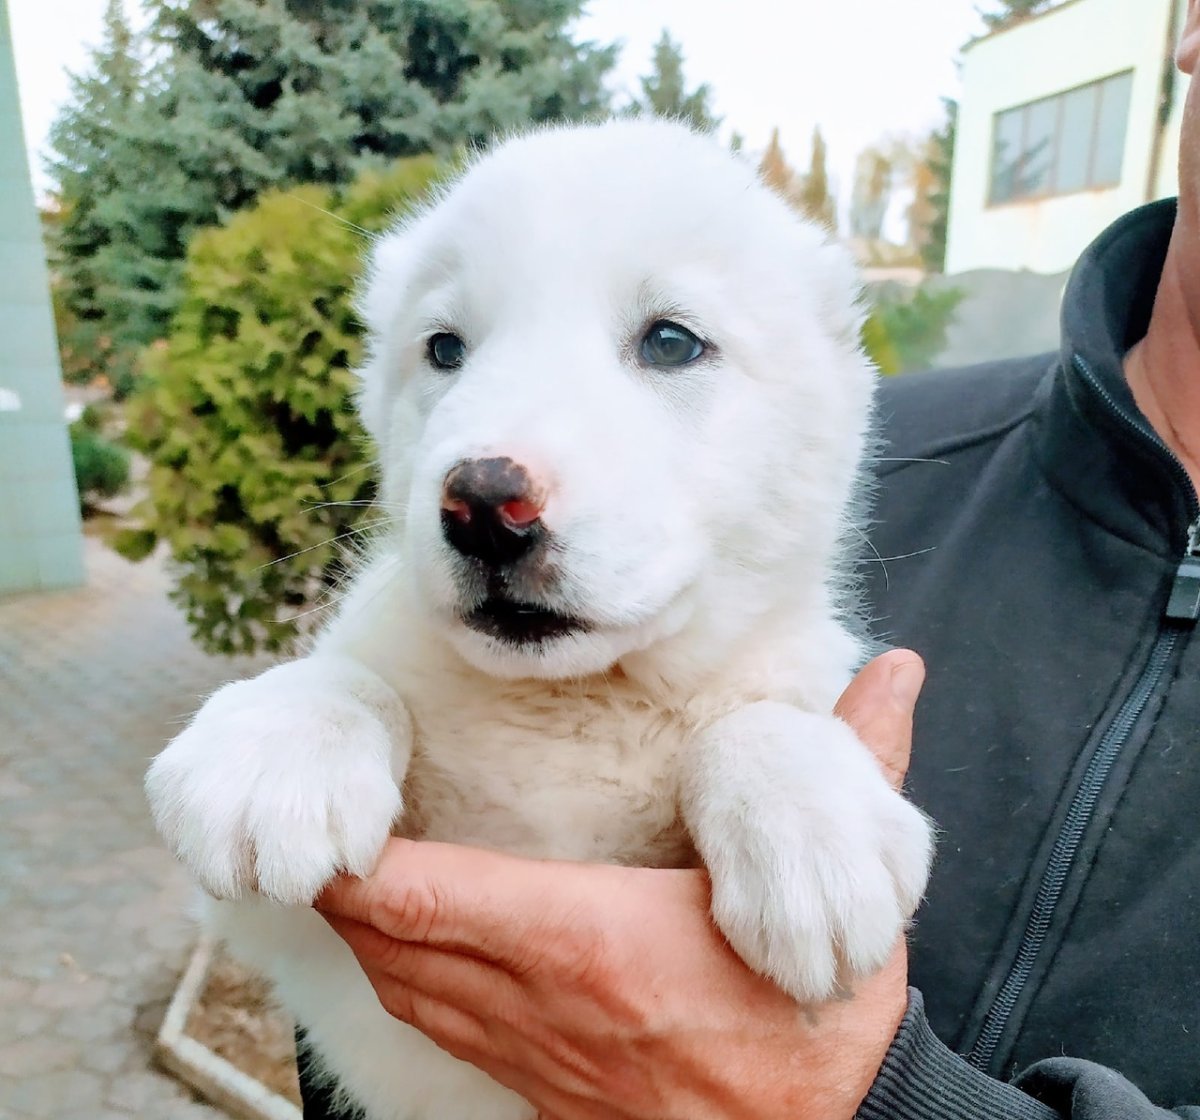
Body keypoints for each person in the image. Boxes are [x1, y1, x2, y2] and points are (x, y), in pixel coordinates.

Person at [304, 5, 1200, 1116]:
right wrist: (337, 728)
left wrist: (855, 1099)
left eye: (670, 341)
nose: (489, 483)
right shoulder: (908, 454)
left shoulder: (795, 468)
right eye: (448, 345)